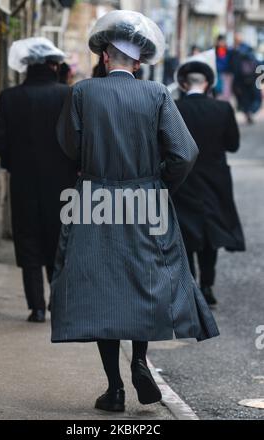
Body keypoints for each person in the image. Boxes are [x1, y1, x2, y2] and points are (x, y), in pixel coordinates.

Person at [51, 10, 219, 413]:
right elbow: (184, 152)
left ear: (106, 57)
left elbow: (69, 145)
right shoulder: (157, 94)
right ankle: (140, 361)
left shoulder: (81, 93)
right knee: (144, 282)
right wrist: (160, 184)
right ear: (138, 63)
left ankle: (114, 388)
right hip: (145, 200)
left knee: (101, 290)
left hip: (93, 201)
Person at [0, 38, 78, 323]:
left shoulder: (9, 97)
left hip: (24, 182)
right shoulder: (67, 95)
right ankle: (57, 302)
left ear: (27, 66)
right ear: (54, 65)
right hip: (62, 184)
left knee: (28, 240)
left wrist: (13, 164)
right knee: (58, 242)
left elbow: (0, 142)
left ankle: (37, 307)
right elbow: (77, 139)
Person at [173, 57, 245, 306]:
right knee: (210, 233)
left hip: (183, 179)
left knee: (186, 233)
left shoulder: (175, 108)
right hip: (215, 180)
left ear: (183, 83)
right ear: (208, 84)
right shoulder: (222, 109)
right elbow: (233, 145)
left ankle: (191, 284)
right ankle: (207, 285)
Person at [229, 32, 262, 124]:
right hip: (244, 78)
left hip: (246, 78)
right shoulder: (235, 49)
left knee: (250, 97)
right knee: (246, 97)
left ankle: (249, 111)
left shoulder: (239, 49)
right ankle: (248, 112)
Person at [215, 35, 232, 100]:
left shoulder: (228, 50)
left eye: (222, 41)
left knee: (225, 91)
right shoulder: (215, 50)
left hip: (226, 73)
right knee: (218, 89)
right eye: (220, 41)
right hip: (217, 72)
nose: (221, 43)